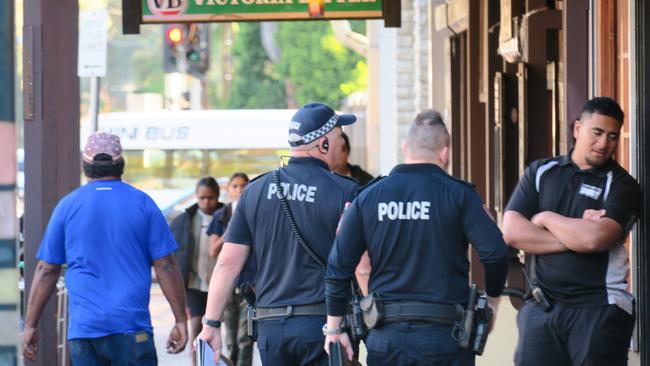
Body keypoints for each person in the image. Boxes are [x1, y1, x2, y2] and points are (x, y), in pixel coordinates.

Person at [324, 110, 509, 365]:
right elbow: (496, 253)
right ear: (445, 153)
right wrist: (493, 303)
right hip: (445, 337)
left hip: (386, 337)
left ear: (405, 147)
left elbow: (338, 267)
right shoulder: (460, 195)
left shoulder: (368, 197)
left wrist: (334, 329)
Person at [198, 102, 359, 365]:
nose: (342, 144)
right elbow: (363, 264)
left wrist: (211, 325)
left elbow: (227, 263)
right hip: (324, 325)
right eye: (339, 137)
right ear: (324, 145)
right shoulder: (346, 192)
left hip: (271, 328)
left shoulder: (255, 191)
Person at [22, 132, 187, 365]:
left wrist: (30, 325)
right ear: (121, 164)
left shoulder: (67, 206)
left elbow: (46, 270)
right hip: (132, 328)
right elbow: (166, 266)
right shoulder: (143, 203)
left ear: (85, 165)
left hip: (85, 330)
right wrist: (181, 320)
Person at [502, 97, 641, 366]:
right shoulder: (541, 172)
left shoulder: (622, 185)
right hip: (541, 308)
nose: (604, 143)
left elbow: (594, 239)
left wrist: (544, 217)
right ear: (578, 129)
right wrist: (573, 232)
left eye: (613, 136)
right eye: (597, 132)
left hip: (598, 308)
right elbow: (512, 232)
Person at [170, 176, 223, 365]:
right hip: (194, 282)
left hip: (219, 284)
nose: (206, 202)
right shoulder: (185, 220)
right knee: (196, 326)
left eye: (211, 197)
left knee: (219, 329)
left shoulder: (227, 217)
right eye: (202, 198)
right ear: (196, 197)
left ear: (217, 196)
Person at [206, 172, 254, 366]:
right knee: (230, 338)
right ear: (228, 189)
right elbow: (213, 250)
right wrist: (232, 232)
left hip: (249, 283)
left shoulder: (254, 212)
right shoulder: (221, 215)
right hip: (228, 284)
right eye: (235, 186)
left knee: (245, 337)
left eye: (243, 185)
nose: (239, 190)